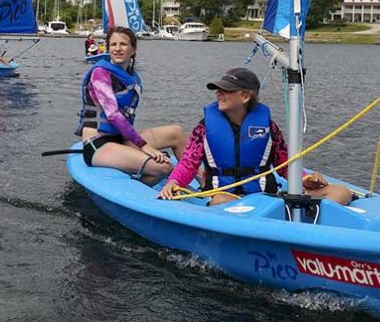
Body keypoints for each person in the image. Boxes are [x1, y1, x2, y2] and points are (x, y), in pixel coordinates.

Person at [158, 67, 353, 206]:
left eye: (226, 90)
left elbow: (284, 163)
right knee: (220, 201)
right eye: (218, 89)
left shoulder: (268, 126)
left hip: (265, 197)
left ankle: (304, 229)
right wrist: (174, 182)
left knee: (341, 193)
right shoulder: (204, 127)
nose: (218, 93)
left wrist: (306, 178)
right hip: (226, 196)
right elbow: (189, 162)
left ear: (245, 96)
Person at [75, 26, 185, 185]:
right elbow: (112, 114)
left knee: (177, 133)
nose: (118, 49)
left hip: (121, 139)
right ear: (108, 48)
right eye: (113, 45)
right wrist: (144, 147)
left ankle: (204, 183)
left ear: (133, 49)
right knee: (163, 167)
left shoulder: (132, 77)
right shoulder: (100, 74)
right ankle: (137, 191)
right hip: (98, 144)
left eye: (123, 44)